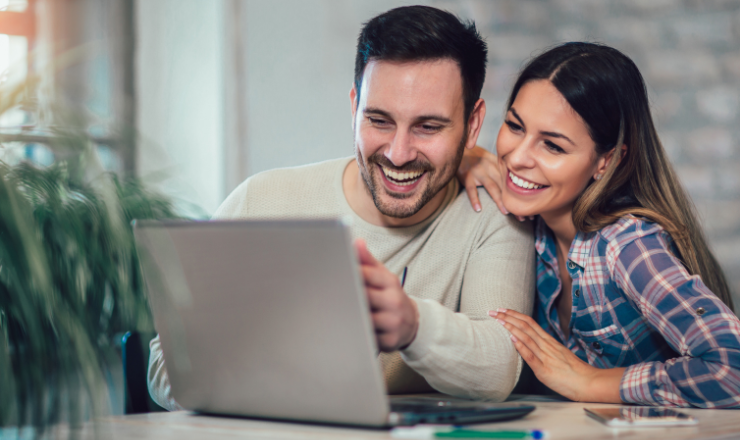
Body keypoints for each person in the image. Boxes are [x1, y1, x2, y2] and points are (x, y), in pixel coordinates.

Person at [147, 6, 536, 411]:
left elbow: (499, 367)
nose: (398, 154)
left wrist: (412, 325)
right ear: (354, 108)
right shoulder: (261, 201)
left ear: (473, 125)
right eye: (379, 120)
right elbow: (164, 367)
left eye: (428, 127)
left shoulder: (494, 213)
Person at [458, 42, 740, 408]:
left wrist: (589, 381)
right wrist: (467, 157)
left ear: (605, 161)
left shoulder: (628, 246)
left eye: (553, 146)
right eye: (514, 125)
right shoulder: (533, 221)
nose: (517, 156)